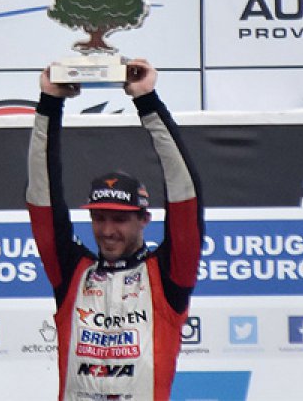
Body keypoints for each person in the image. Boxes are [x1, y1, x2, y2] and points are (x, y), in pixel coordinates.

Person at [26, 60, 204, 401]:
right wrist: (50, 104)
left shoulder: (168, 275)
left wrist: (147, 101)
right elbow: (42, 199)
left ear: (144, 219)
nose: (107, 230)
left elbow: (185, 194)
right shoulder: (72, 273)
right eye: (99, 218)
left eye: (120, 220)